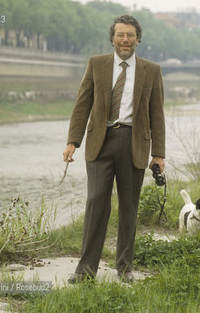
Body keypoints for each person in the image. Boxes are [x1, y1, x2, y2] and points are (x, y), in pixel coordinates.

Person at [62, 14, 165, 283]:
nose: (125, 39)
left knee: (129, 207)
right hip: (100, 142)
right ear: (112, 38)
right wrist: (73, 141)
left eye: (130, 35)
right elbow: (82, 104)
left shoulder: (151, 71)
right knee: (96, 202)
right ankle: (85, 270)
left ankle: (125, 267)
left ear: (138, 40)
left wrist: (159, 154)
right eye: (120, 34)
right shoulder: (96, 64)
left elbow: (158, 114)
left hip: (134, 143)